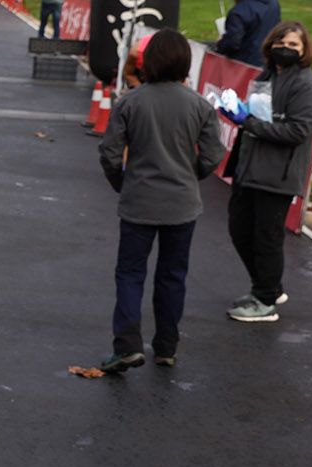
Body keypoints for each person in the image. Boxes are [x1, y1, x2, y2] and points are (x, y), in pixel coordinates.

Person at [95, 29, 226, 372]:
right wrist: (190, 175)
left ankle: (126, 344)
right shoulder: (198, 105)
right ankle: (166, 346)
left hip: (139, 200)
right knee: (172, 276)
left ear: (147, 61)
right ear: (186, 62)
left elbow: (109, 153)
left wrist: (122, 183)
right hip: (182, 205)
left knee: (130, 274)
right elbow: (213, 154)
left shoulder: (130, 102)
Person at [219, 21, 312, 323]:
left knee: (266, 238)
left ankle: (265, 301)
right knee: (240, 230)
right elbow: (260, 113)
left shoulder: (306, 84)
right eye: (282, 42)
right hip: (250, 167)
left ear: (305, 51)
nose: (286, 49)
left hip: (277, 174)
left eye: (294, 45)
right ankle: (267, 287)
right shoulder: (267, 76)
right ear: (270, 44)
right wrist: (237, 110)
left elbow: (298, 131)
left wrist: (247, 122)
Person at [215, 0, 280, 67]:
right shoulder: (273, 2)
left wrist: (221, 43)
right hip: (269, 63)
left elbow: (232, 43)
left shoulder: (239, 11)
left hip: (246, 67)